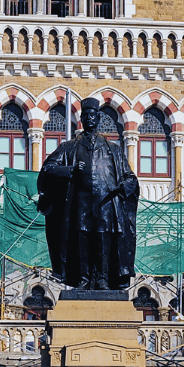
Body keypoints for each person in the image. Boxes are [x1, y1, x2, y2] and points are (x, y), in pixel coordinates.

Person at [36, 97, 140, 291]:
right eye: (86, 115)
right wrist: (70, 170)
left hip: (106, 205)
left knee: (103, 241)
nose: (90, 118)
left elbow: (130, 177)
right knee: (81, 241)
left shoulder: (113, 150)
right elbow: (48, 169)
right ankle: (83, 279)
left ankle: (103, 279)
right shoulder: (69, 147)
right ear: (82, 119)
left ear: (98, 118)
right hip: (79, 204)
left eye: (93, 115)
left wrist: (123, 187)